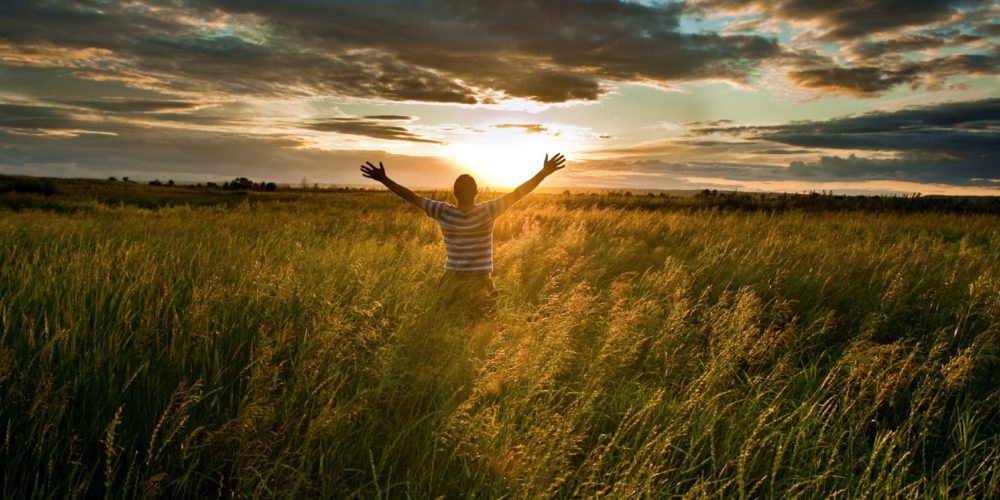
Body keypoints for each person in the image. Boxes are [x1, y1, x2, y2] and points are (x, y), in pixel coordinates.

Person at [360, 153, 567, 317]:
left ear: (454, 194)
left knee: (450, 331)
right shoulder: (488, 210)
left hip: (451, 283)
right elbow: (519, 193)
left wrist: (384, 179)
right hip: (481, 285)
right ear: (477, 192)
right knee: (483, 337)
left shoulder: (442, 212)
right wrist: (543, 173)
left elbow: (411, 197)